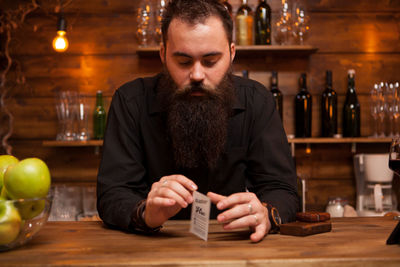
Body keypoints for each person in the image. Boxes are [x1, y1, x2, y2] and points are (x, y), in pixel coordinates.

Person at [97, 0, 298, 243]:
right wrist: (145, 213)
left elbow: (283, 191)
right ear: (163, 54)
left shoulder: (257, 101)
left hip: (236, 246)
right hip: (149, 249)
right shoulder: (130, 102)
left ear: (232, 53)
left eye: (211, 61)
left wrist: (266, 213)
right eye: (183, 62)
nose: (197, 75)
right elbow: (112, 193)